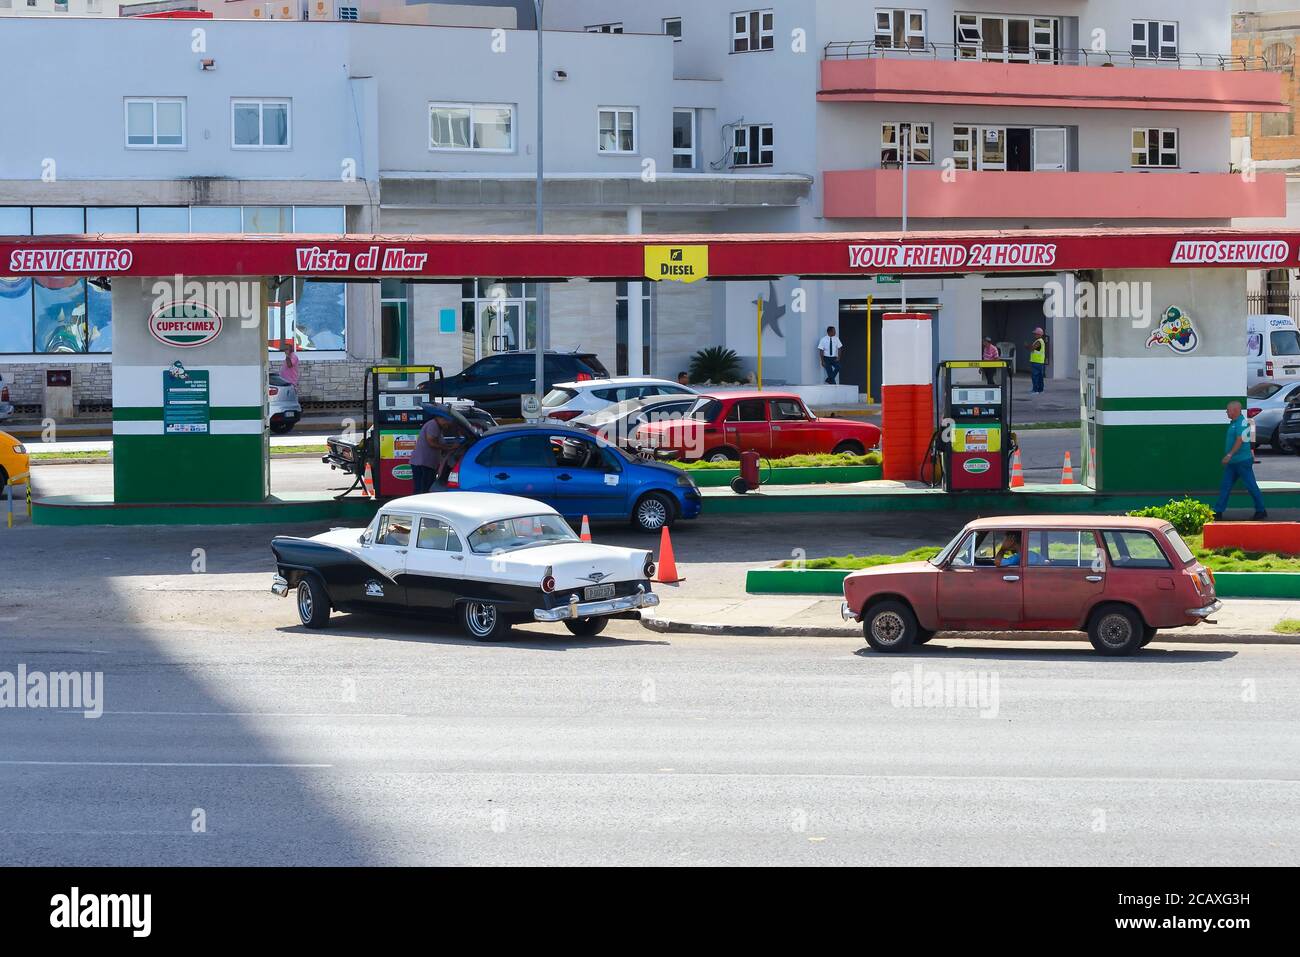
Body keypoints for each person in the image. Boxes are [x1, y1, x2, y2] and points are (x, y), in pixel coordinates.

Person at [1214, 400, 1268, 521]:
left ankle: (1261, 510)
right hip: (1233, 463)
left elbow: (1240, 440)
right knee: (1225, 486)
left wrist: (1229, 455)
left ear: (1235, 410)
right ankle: (1218, 512)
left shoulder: (1242, 423)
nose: (1226, 412)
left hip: (1242, 462)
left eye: (1228, 410)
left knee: (1251, 486)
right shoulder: (1234, 422)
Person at [410, 410, 459, 495]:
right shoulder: (433, 425)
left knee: (424, 488)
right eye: (447, 422)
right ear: (442, 419)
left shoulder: (437, 427)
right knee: (423, 489)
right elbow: (432, 443)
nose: (447, 425)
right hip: (423, 463)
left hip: (427, 463)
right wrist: (449, 448)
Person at [1026, 327, 1047, 395]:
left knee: (1035, 376)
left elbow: (1032, 349)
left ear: (1039, 334)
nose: (1034, 335)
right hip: (1039, 362)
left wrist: (1026, 346)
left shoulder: (1039, 341)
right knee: (1040, 376)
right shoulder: (1041, 341)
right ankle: (1040, 390)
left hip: (1036, 362)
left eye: (1036, 334)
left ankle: (1035, 390)